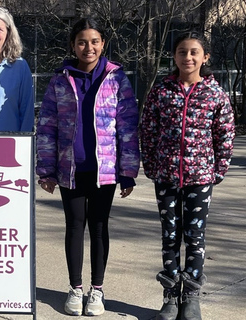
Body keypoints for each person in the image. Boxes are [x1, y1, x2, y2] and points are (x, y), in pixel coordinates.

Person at [36, 17, 140, 316]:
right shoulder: (60, 79)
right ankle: (75, 288)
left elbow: (128, 126)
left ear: (103, 43)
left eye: (94, 41)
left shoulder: (117, 78)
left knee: (98, 227)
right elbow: (47, 126)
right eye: (82, 42)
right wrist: (46, 169)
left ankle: (97, 291)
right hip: (70, 168)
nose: (88, 47)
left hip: (104, 170)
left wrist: (128, 171)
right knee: (74, 226)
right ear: (73, 45)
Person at [140, 31, 235, 320]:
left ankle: (191, 295)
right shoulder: (162, 91)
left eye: (194, 52)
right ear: (175, 56)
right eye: (182, 52)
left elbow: (225, 133)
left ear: (205, 57)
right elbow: (148, 129)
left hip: (200, 178)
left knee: (195, 237)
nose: (188, 57)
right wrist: (152, 165)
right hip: (166, 176)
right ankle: (170, 295)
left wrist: (217, 169)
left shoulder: (214, 94)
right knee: (170, 236)